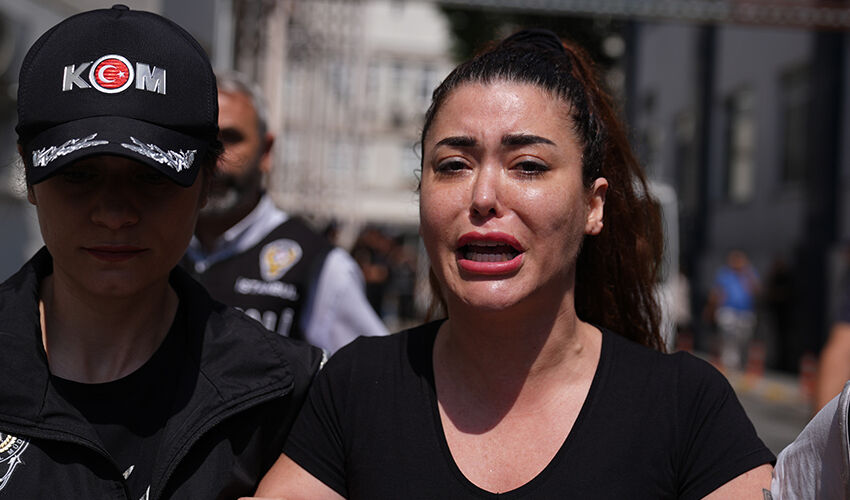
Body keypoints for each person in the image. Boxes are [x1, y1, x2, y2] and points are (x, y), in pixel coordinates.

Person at [248, 29, 774, 499]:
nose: (483, 196)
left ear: (594, 205)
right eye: (453, 165)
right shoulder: (357, 386)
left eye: (528, 166)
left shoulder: (685, 405)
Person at [0, 6, 321, 497]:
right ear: (30, 175)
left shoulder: (283, 393)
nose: (113, 213)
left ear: (206, 180)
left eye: (151, 176)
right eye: (78, 175)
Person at [183, 72, 387, 354]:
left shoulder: (320, 266)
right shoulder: (153, 244)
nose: (216, 159)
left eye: (231, 138)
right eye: (202, 138)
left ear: (266, 152)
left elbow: (371, 375)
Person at [705, 249, 761, 371]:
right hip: (728, 311)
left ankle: (740, 365)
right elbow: (716, 293)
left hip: (746, 313)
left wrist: (747, 272)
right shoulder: (725, 274)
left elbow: (757, 290)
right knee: (729, 340)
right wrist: (710, 309)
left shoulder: (749, 274)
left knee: (743, 340)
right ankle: (730, 367)